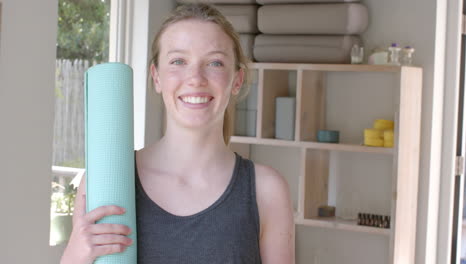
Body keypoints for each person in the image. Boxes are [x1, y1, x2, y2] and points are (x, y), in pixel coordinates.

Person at [61, 3, 294, 264]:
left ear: (237, 80)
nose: (195, 78)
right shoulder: (109, 181)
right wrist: (75, 254)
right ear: (157, 77)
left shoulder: (266, 190)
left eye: (215, 62)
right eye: (178, 61)